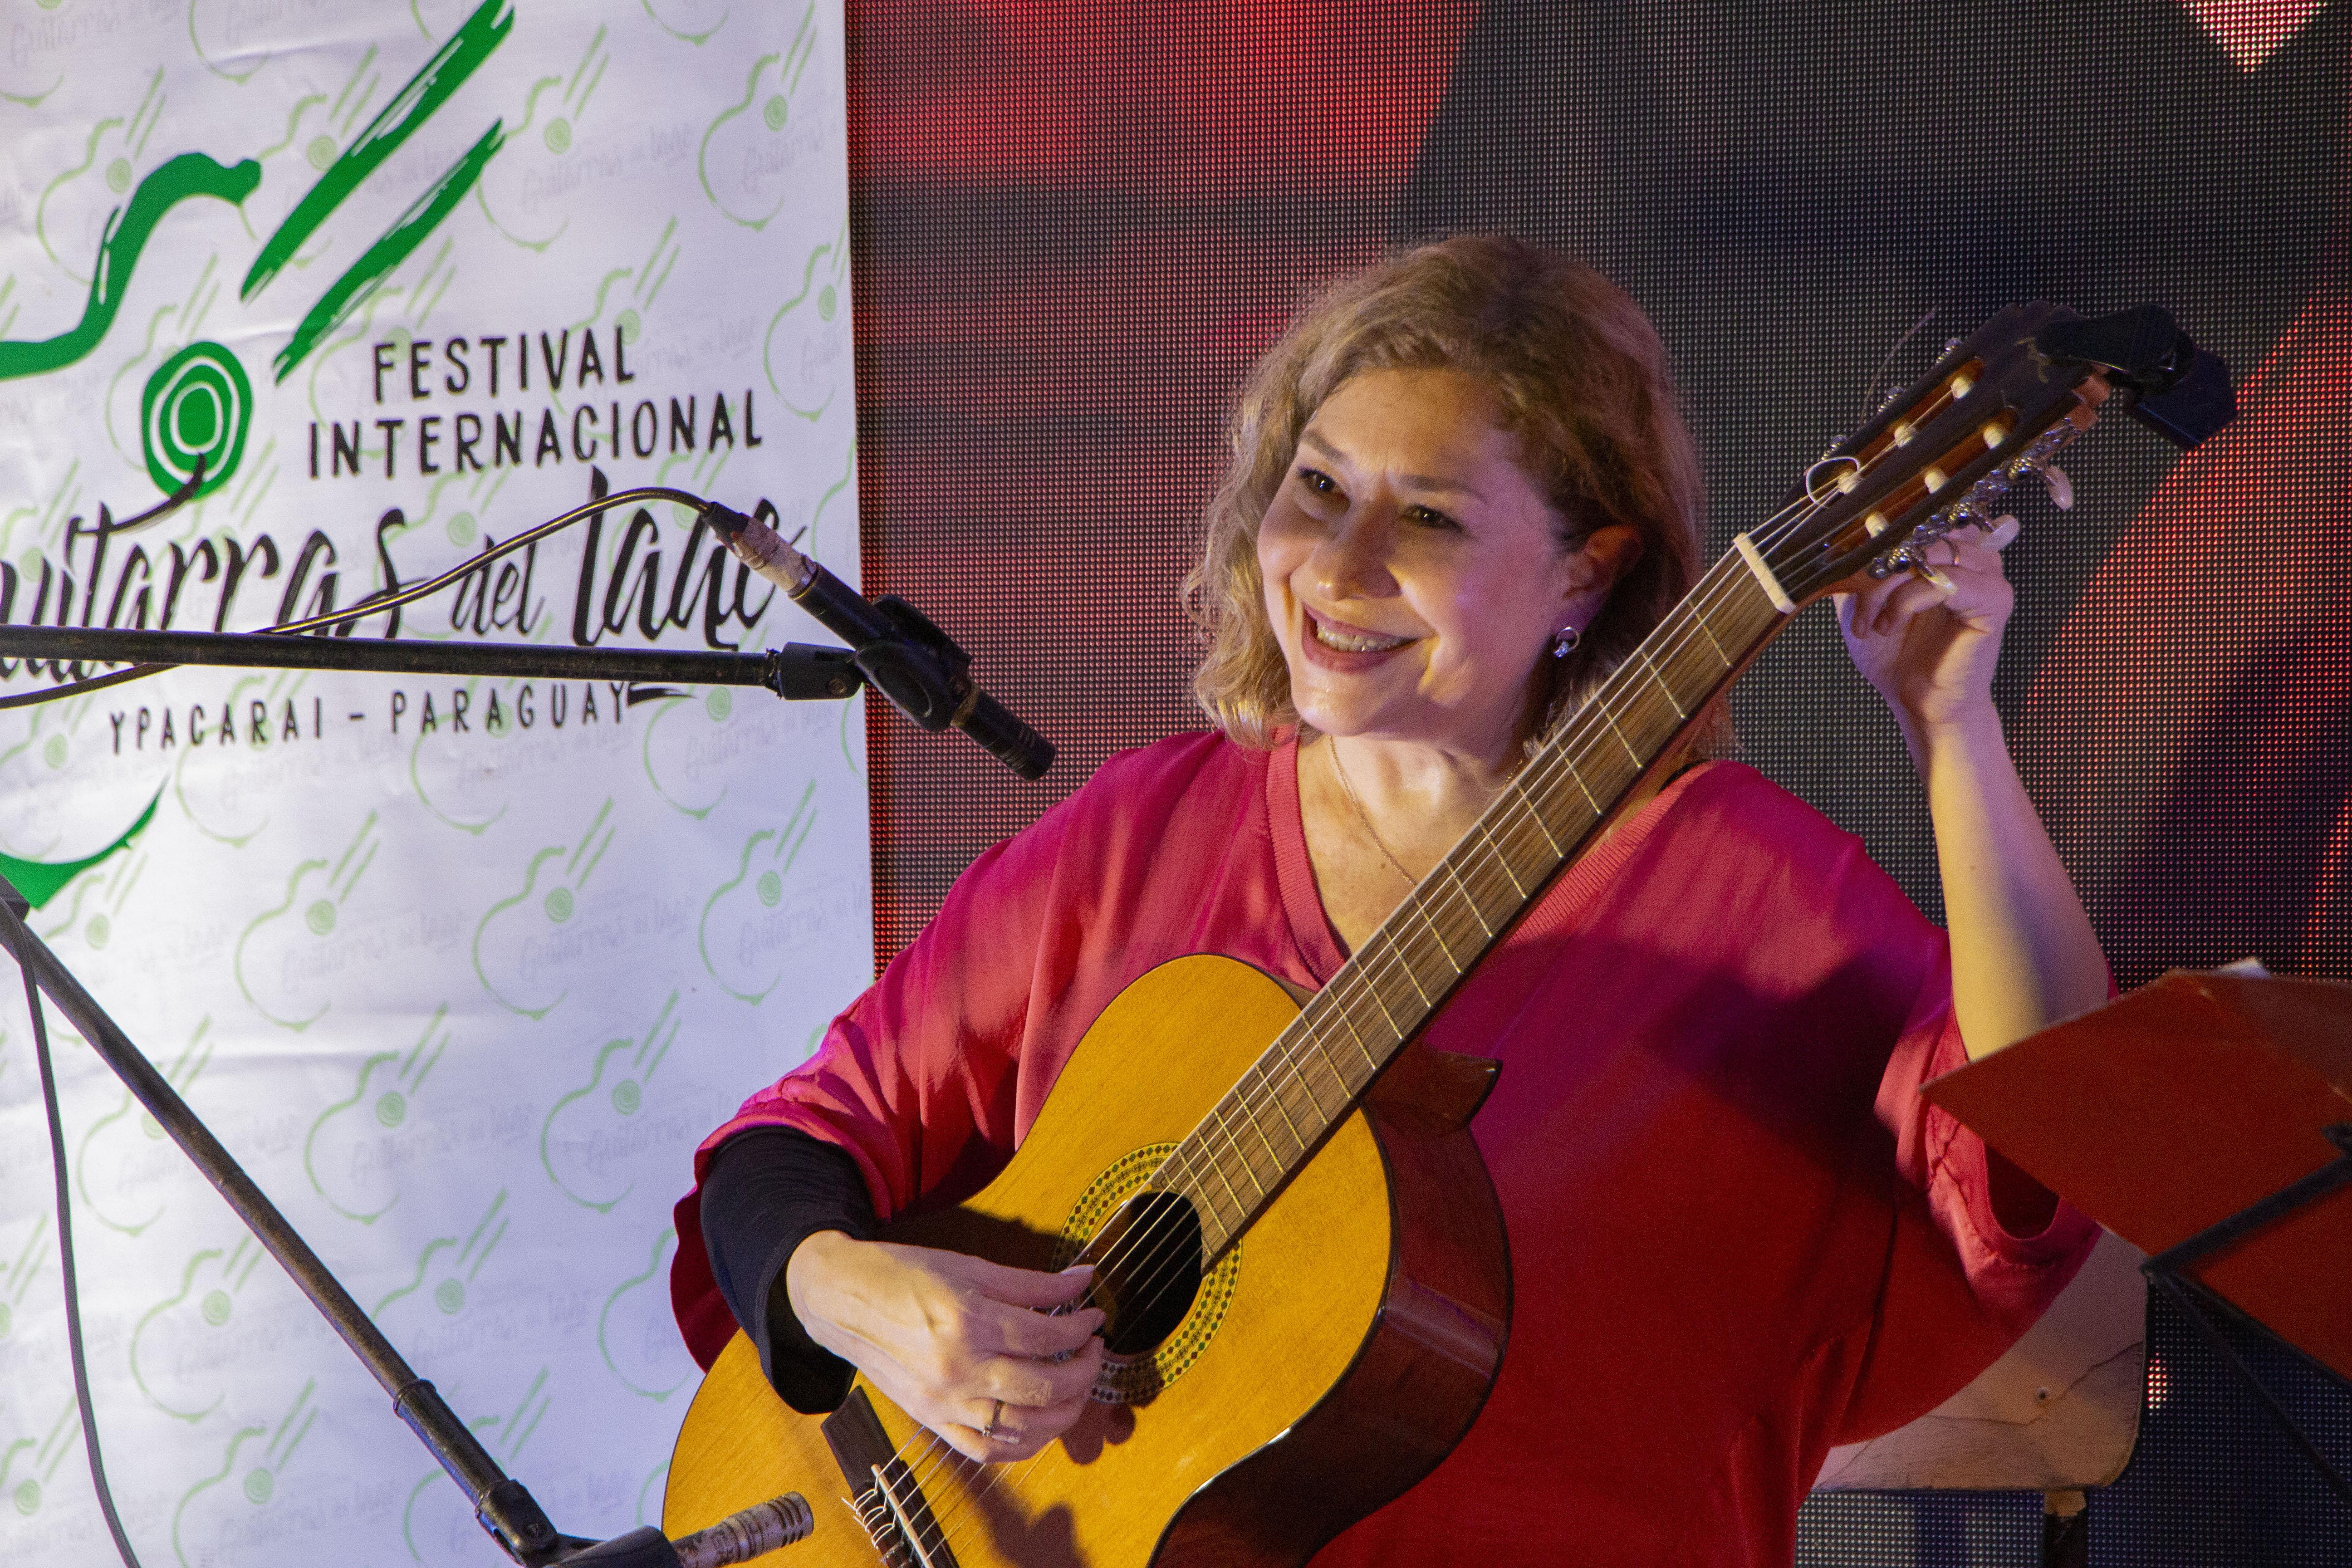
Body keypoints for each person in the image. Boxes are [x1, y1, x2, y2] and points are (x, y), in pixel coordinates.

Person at [667, 235, 2102, 1565]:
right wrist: (851, 1294)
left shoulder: (1751, 896)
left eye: (1425, 517)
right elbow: (796, 1146)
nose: (1338, 571)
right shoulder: (1144, 837)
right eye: (1316, 488)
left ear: (1585, 576)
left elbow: (2041, 1140)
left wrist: (1952, 732)